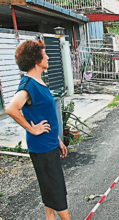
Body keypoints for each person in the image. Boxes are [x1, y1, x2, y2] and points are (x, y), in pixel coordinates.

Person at [5, 39, 70, 220]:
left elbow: (45, 115)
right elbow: (11, 108)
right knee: (56, 193)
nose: (48, 57)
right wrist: (31, 129)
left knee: (50, 199)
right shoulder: (28, 85)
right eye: (44, 54)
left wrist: (57, 139)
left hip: (49, 144)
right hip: (41, 149)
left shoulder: (38, 81)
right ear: (36, 59)